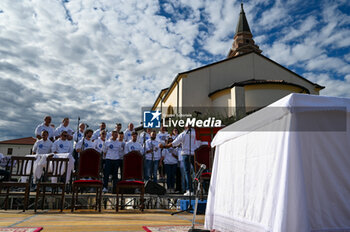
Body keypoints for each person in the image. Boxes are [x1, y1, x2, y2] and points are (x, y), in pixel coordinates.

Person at [164, 126, 197, 196]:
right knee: (195, 172)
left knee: (187, 173)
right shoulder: (195, 133)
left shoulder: (183, 134)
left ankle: (190, 190)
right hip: (194, 154)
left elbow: (173, 144)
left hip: (185, 154)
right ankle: (197, 189)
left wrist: (164, 146)